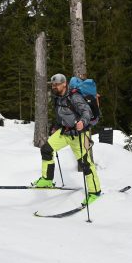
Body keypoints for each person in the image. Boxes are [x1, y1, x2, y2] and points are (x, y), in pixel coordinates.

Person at [33, 73, 101, 205]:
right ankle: (47, 179)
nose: (54, 87)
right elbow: (61, 115)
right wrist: (56, 126)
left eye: (56, 84)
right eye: (53, 85)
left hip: (79, 135)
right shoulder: (57, 98)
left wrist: (82, 121)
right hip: (65, 132)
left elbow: (87, 112)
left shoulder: (74, 97)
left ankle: (95, 192)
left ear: (64, 84)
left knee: (86, 164)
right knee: (46, 149)